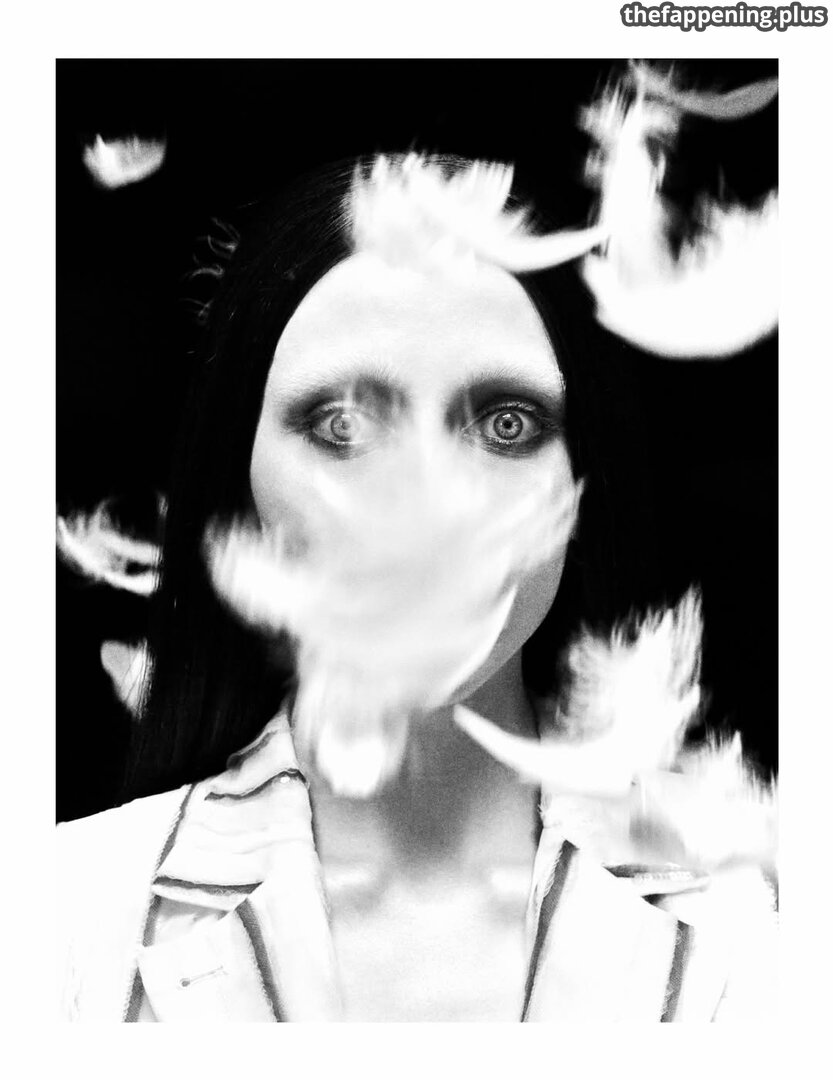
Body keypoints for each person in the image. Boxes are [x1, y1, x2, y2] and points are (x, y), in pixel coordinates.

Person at [58, 149, 776, 1022]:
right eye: (342, 425)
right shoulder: (54, 923)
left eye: (505, 424)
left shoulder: (775, 926)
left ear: (583, 484)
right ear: (236, 481)